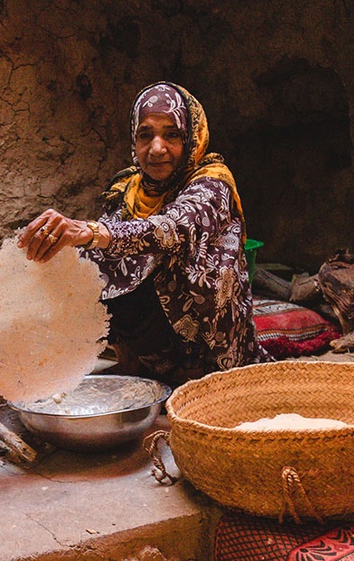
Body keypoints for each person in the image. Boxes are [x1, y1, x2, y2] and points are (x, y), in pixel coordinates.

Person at [18, 81, 268, 385]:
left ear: (192, 138)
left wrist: (89, 231)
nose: (157, 148)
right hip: (151, 338)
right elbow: (101, 250)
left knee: (126, 250)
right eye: (145, 135)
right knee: (84, 265)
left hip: (207, 347)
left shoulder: (213, 183)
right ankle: (132, 361)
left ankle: (192, 378)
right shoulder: (129, 188)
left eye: (172, 135)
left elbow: (173, 228)